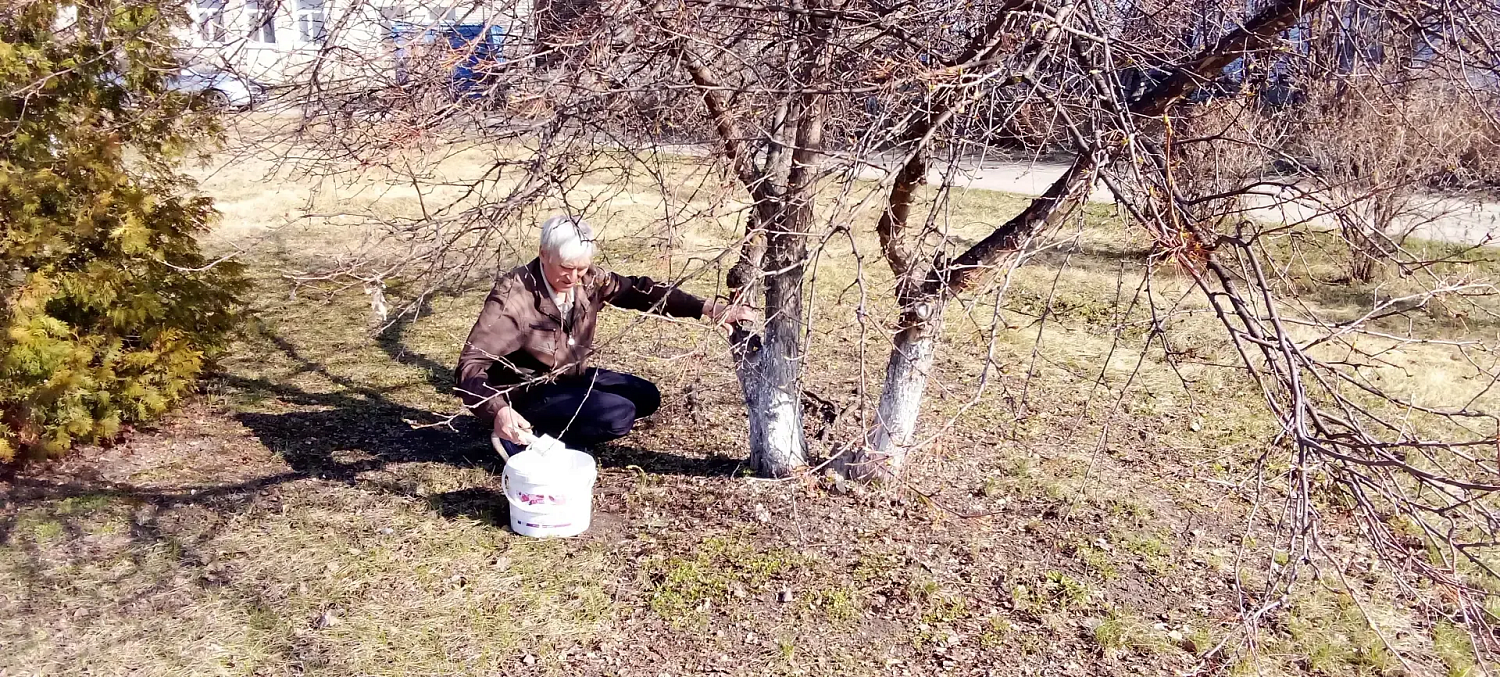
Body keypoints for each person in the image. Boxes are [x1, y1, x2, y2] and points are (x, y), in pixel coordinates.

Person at [455, 214, 755, 457]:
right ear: (543, 254)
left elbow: (638, 291)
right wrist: (500, 410)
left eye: (581, 268)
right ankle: (527, 440)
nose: (572, 278)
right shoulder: (513, 299)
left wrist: (704, 307)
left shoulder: (587, 279)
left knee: (645, 396)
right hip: (525, 389)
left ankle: (553, 427)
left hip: (568, 376)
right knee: (617, 415)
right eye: (565, 268)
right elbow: (470, 365)